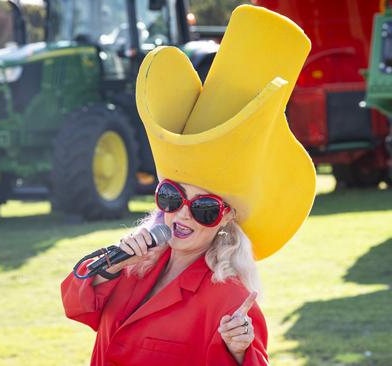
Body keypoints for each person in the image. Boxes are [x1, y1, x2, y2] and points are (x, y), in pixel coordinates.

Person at [61, 4, 316, 366]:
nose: (183, 213)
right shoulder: (134, 265)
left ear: (226, 218)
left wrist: (241, 351)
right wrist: (113, 263)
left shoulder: (228, 300)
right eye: (172, 196)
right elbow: (75, 305)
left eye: (205, 208)